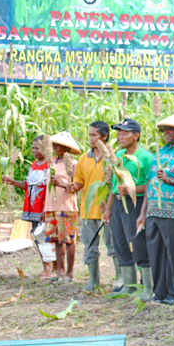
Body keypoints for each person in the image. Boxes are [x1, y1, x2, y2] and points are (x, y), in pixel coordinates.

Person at [137, 112, 174, 305]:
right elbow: (148, 182)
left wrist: (170, 180)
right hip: (153, 210)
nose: (165, 132)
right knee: (155, 252)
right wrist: (143, 213)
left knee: (173, 253)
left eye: (169, 129)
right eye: (164, 129)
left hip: (173, 210)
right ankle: (159, 292)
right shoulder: (157, 153)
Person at [103, 119, 153, 299]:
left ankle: (147, 286)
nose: (120, 136)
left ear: (136, 135)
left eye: (125, 133)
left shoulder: (146, 157)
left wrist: (131, 189)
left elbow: (150, 185)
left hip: (135, 203)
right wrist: (108, 209)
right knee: (120, 242)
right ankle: (129, 284)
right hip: (117, 203)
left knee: (138, 243)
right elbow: (114, 185)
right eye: (119, 133)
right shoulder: (118, 155)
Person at [71, 121, 116, 292]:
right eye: (89, 135)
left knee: (113, 245)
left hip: (108, 209)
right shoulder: (84, 158)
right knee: (90, 246)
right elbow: (79, 181)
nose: (91, 138)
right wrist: (74, 186)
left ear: (104, 136)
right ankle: (93, 279)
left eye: (94, 135)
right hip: (89, 209)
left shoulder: (113, 157)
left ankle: (120, 279)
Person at [2, 134, 54, 280]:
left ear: (46, 148)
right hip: (33, 208)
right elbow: (27, 185)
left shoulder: (50, 165)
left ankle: (52, 269)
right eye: (32, 148)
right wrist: (12, 181)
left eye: (37, 148)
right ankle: (46, 268)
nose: (33, 151)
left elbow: (51, 189)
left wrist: (46, 208)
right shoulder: (33, 165)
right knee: (38, 238)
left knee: (46, 238)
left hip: (43, 207)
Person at [42, 132, 81, 282]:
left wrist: (62, 184)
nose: (55, 147)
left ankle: (69, 273)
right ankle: (59, 271)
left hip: (67, 206)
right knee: (56, 240)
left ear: (66, 148)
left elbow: (76, 185)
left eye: (58, 145)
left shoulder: (72, 163)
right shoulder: (51, 163)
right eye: (54, 145)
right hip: (51, 206)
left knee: (68, 240)